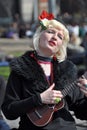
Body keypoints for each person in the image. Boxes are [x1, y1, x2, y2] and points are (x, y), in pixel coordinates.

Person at [1, 10, 87, 130]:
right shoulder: (20, 69)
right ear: (39, 35)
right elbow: (9, 111)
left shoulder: (68, 70)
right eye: (51, 32)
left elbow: (82, 113)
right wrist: (39, 99)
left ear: (61, 45)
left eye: (60, 36)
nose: (55, 37)